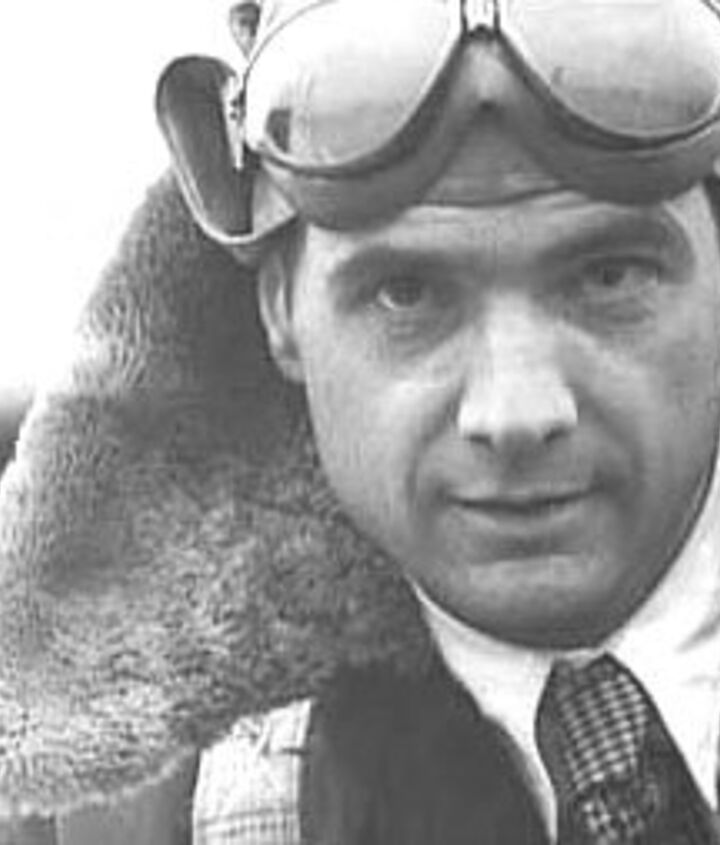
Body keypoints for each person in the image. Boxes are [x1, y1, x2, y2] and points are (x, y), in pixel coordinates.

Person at [3, 0, 720, 841]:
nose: (515, 412)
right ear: (279, 308)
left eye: (609, 277)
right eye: (406, 293)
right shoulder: (100, 819)